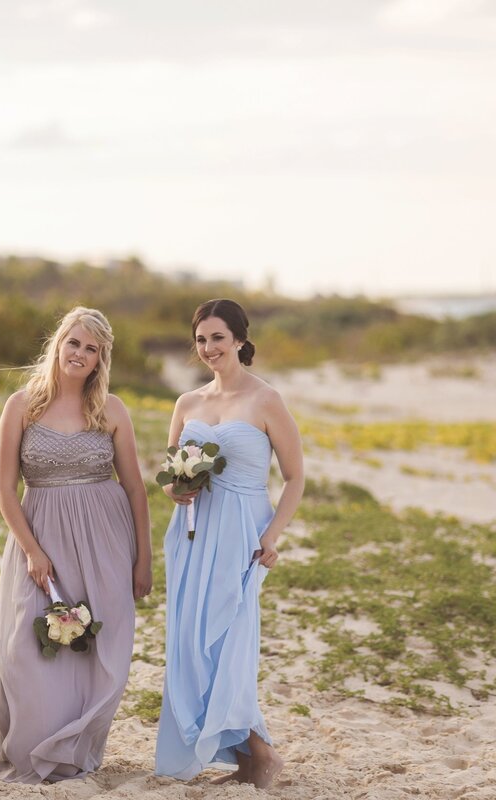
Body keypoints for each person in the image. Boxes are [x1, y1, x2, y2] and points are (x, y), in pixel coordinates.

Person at [0, 306, 152, 782]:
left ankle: (74, 750)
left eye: (91, 348)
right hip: (40, 533)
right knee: (27, 646)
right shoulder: (21, 405)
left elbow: (135, 488)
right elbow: (3, 489)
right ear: (57, 345)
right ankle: (30, 747)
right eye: (73, 343)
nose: (79, 353)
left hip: (105, 539)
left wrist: (144, 559)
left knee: (94, 645)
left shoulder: (111, 409)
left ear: (101, 358)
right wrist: (34, 551)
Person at [155, 298, 303, 788]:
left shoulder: (266, 400)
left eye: (217, 338)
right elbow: (172, 472)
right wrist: (176, 490)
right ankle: (239, 755)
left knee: (229, 640)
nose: (208, 348)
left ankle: (260, 754)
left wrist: (271, 535)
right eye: (201, 340)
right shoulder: (188, 403)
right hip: (193, 533)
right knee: (191, 642)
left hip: (242, 531)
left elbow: (295, 476)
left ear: (239, 339)